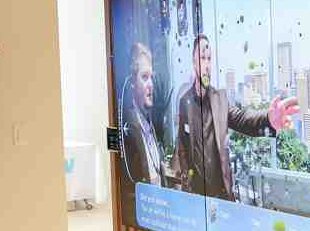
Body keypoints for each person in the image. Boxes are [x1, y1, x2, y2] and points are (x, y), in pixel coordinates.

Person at [173, 34, 299, 200]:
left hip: (222, 196)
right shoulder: (185, 102)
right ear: (194, 62)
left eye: (209, 59)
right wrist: (184, 188)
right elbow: (182, 148)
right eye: (202, 58)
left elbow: (243, 119)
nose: (207, 65)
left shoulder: (220, 99)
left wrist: (268, 119)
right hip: (196, 198)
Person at [121, 41, 162, 187]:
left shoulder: (150, 123)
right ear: (132, 82)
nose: (151, 84)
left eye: (151, 77)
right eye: (144, 77)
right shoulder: (127, 128)